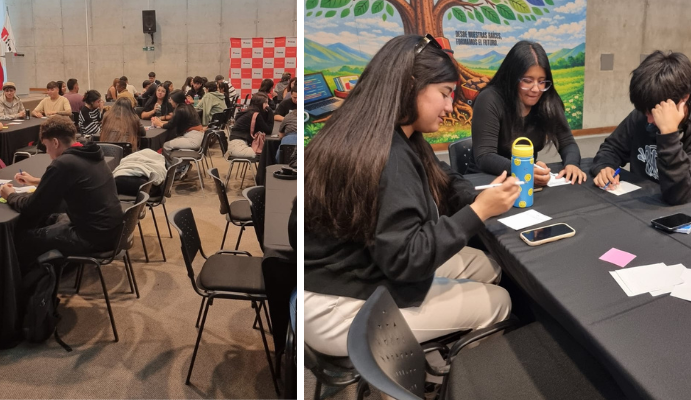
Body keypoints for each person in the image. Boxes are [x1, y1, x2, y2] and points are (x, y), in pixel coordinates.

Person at [303, 35, 516, 357]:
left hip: (357, 270)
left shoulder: (393, 133)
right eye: (445, 94)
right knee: (500, 303)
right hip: (338, 303)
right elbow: (407, 260)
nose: (449, 106)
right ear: (410, 85)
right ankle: (456, 382)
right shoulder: (385, 154)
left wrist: (477, 199)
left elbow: (443, 179)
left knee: (485, 266)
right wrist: (479, 212)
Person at [590, 51, 691, 205]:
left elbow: (677, 194)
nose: (650, 120)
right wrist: (605, 167)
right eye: (645, 113)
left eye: (654, 112)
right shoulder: (643, 115)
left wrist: (669, 134)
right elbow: (612, 148)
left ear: (684, 98)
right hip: (647, 201)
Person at [0, 117, 123, 265]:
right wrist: (37, 180)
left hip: (92, 238)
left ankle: (36, 283)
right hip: (111, 231)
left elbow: (32, 207)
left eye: (46, 145)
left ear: (55, 142)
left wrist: (10, 195)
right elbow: (76, 180)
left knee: (22, 238)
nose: (47, 151)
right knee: (51, 218)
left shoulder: (63, 163)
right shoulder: (89, 152)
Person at [471, 41, 586, 186]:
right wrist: (523, 169)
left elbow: (567, 142)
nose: (536, 89)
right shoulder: (490, 99)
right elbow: (485, 156)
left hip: (525, 180)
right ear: (512, 78)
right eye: (527, 81)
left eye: (542, 81)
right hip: (488, 180)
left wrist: (572, 164)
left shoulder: (547, 100)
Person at [227, 92, 273, 159]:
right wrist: (270, 112)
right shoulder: (255, 115)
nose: (267, 105)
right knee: (267, 154)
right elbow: (268, 130)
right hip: (238, 147)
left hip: (235, 145)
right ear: (260, 104)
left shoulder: (250, 111)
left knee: (267, 152)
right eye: (266, 103)